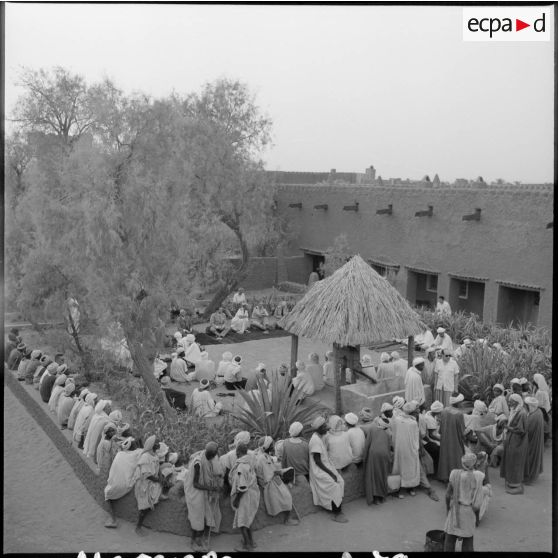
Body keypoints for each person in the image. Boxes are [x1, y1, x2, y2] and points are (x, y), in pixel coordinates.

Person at [392, 401, 439, 500]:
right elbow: (416, 438)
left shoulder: (397, 419)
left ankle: (404, 490)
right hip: (411, 450)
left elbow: (394, 435)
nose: (418, 412)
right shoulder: (413, 423)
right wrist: (418, 449)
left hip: (400, 449)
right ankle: (412, 489)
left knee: (402, 469)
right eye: (416, 411)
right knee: (413, 469)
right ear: (411, 412)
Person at [184, 441, 225, 551]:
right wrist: (212, 488)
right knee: (197, 517)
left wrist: (217, 483)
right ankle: (194, 542)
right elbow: (196, 484)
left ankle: (198, 539)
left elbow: (210, 474)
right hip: (194, 492)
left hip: (202, 491)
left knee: (203, 516)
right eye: (215, 454)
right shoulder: (198, 463)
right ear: (212, 454)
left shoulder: (206, 457)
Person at [308, 416, 347, 523]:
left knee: (340, 481)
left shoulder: (320, 436)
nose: (327, 428)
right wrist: (331, 474)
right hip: (319, 470)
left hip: (326, 466)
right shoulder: (315, 440)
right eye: (324, 426)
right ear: (319, 428)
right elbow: (318, 462)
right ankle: (337, 513)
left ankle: (337, 506)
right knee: (334, 485)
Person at [443, 453, 484, 552]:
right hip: (468, 512)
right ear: (474, 464)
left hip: (455, 510)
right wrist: (477, 518)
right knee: (468, 541)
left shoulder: (454, 473)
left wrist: (448, 510)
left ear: (462, 463)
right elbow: (477, 504)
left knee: (449, 540)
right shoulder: (478, 476)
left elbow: (447, 495)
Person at [254, 436, 299, 525]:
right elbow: (268, 475)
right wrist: (280, 472)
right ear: (267, 446)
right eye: (272, 444)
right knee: (287, 497)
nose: (273, 446)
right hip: (269, 484)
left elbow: (272, 468)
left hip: (272, 479)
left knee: (289, 473)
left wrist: (280, 471)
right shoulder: (262, 458)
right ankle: (287, 520)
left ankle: (288, 518)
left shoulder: (266, 456)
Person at [104, 437, 143, 528]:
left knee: (107, 493)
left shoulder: (120, 454)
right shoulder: (138, 453)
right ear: (134, 446)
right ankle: (113, 520)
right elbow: (143, 447)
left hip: (114, 485)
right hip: (127, 485)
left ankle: (113, 519)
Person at [229, 442, 260, 551]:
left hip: (245, 496)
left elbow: (242, 486)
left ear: (238, 452)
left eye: (237, 452)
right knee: (248, 520)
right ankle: (251, 541)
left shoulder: (241, 467)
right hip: (252, 494)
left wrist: (236, 500)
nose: (236, 454)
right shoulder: (249, 462)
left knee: (242, 522)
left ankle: (247, 545)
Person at [133, 435, 164, 536]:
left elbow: (158, 468)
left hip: (152, 480)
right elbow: (147, 475)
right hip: (144, 483)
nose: (159, 444)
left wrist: (160, 476)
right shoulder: (145, 457)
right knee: (145, 508)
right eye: (157, 442)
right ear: (151, 445)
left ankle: (159, 494)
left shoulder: (154, 455)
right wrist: (159, 480)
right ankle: (138, 527)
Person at [363, 403, 393, 505]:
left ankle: (375, 497)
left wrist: (364, 458)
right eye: (390, 411)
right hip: (384, 453)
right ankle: (381, 496)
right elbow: (390, 444)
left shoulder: (373, 427)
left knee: (374, 476)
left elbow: (367, 444)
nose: (392, 413)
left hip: (373, 454)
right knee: (382, 475)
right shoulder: (389, 430)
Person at [500, 393, 528, 494]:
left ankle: (517, 487)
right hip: (512, 440)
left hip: (517, 442)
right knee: (511, 461)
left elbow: (521, 430)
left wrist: (507, 428)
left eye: (511, 401)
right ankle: (512, 482)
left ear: (516, 402)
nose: (509, 402)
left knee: (515, 462)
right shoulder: (515, 410)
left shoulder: (522, 413)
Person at [437, 394, 466, 482]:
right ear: (458, 402)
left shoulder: (444, 410)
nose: (462, 403)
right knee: (456, 458)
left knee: (445, 457)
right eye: (461, 402)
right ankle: (455, 479)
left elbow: (440, 429)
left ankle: (445, 477)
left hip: (445, 440)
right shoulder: (459, 414)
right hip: (455, 441)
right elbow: (462, 431)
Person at [523, 397, 544, 485]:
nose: (524, 407)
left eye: (526, 406)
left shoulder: (533, 416)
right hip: (536, 440)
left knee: (530, 458)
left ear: (530, 406)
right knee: (534, 456)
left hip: (531, 441)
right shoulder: (538, 412)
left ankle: (529, 478)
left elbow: (527, 431)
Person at [422, 401, 443, 472]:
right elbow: (431, 435)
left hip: (434, 436)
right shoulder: (429, 419)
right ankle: (437, 469)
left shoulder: (431, 414)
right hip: (428, 440)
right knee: (438, 449)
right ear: (437, 411)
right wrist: (441, 439)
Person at [532, 373, 551, 443]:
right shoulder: (545, 389)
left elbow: (538, 404)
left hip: (542, 412)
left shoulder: (540, 392)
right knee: (545, 428)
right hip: (547, 411)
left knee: (541, 429)